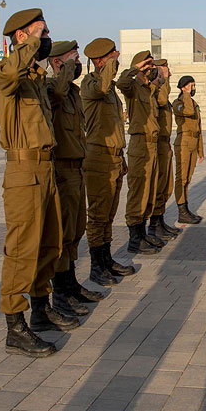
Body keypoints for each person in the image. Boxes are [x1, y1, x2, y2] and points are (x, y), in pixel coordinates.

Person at [0, 8, 79, 359]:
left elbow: (58, 90)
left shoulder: (35, 80)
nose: (47, 39)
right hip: (22, 172)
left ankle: (40, 310)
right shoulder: (5, 75)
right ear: (20, 37)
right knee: (22, 249)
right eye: (40, 33)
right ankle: (15, 325)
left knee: (49, 243)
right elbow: (11, 69)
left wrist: (67, 64)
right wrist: (31, 44)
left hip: (46, 169)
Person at [47, 40, 106, 314]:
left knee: (75, 232)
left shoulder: (72, 91)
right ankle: (60, 294)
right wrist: (64, 69)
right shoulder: (53, 87)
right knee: (63, 234)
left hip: (76, 168)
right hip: (60, 169)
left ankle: (70, 285)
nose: (78, 62)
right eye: (73, 57)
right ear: (58, 62)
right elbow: (56, 91)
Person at [81, 38, 136, 284]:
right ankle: (96, 266)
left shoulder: (110, 88)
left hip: (113, 157)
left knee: (109, 214)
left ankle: (106, 260)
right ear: (100, 60)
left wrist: (121, 155)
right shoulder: (90, 84)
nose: (118, 57)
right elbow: (101, 87)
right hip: (97, 157)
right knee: (98, 215)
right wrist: (109, 66)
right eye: (113, 55)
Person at [117, 50, 165, 254]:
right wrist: (137, 69)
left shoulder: (149, 89)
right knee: (138, 192)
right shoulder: (133, 87)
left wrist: (159, 76)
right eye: (149, 65)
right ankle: (134, 239)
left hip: (152, 145)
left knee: (150, 191)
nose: (153, 69)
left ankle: (143, 232)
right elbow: (121, 83)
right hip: (139, 145)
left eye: (153, 65)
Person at [148, 59, 183, 239]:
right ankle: (154, 225)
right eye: (165, 69)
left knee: (165, 185)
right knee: (159, 184)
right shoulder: (156, 89)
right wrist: (164, 78)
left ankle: (159, 221)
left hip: (164, 142)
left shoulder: (160, 88)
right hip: (158, 143)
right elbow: (162, 99)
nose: (169, 72)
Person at [172, 75, 204, 224]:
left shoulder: (194, 103)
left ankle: (185, 209)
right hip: (183, 142)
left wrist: (200, 150)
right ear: (183, 87)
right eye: (191, 86)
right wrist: (185, 93)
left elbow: (199, 128)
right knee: (182, 178)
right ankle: (181, 210)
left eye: (194, 86)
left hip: (193, 141)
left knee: (188, 179)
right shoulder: (178, 103)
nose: (194, 89)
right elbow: (188, 112)